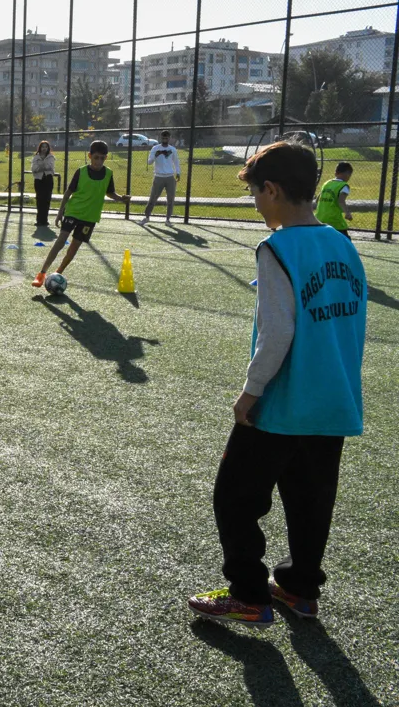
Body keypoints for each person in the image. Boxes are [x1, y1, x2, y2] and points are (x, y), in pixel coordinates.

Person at [188, 141, 367, 628]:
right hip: (334, 402)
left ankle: (248, 595)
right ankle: (300, 590)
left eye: (254, 194)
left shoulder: (277, 248)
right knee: (310, 503)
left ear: (272, 189)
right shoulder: (343, 243)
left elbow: (278, 332)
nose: (256, 204)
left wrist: (251, 391)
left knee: (234, 498)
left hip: (283, 404)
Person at [31, 140, 131, 287]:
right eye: (96, 157)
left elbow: (110, 192)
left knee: (74, 247)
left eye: (102, 158)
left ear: (106, 158)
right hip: (73, 212)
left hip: (90, 217)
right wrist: (60, 213)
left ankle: (58, 273)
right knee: (60, 241)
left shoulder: (108, 173)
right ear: (90, 156)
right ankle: (42, 273)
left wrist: (121, 199)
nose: (99, 161)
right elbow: (68, 193)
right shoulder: (81, 171)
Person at [139, 129, 181, 225]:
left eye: (166, 137)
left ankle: (168, 220)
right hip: (158, 177)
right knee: (153, 198)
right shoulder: (155, 148)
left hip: (170, 177)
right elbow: (149, 162)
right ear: (160, 138)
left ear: (169, 138)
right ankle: (146, 217)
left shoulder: (173, 150)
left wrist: (178, 173)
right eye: (163, 138)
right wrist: (155, 156)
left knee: (170, 199)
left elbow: (176, 162)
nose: (165, 139)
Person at [314, 162, 354, 239]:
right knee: (345, 240)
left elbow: (317, 200)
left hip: (320, 217)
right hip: (334, 219)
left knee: (323, 239)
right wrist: (347, 213)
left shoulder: (327, 183)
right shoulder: (344, 186)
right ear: (347, 174)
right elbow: (341, 201)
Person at [30, 140, 57, 227]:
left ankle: (45, 220)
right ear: (40, 148)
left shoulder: (51, 157)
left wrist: (41, 166)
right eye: (42, 147)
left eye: (46, 147)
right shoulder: (36, 157)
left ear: (48, 148)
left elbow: (50, 167)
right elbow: (34, 169)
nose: (44, 149)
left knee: (47, 199)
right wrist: (43, 166)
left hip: (48, 179)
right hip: (38, 180)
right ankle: (39, 220)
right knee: (39, 199)